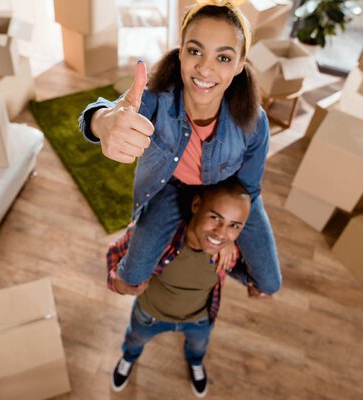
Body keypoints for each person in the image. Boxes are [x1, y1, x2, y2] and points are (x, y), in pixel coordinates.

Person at [79, 0, 282, 295]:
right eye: (195, 51)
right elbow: (106, 112)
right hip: (171, 188)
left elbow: (248, 187)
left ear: (240, 65)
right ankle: (179, 246)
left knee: (267, 285)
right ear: (181, 50)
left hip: (225, 193)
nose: (205, 68)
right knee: (130, 278)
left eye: (223, 58)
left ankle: (202, 249)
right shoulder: (155, 97)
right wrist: (102, 121)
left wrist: (229, 238)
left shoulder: (254, 121)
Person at [107, 177, 267, 397]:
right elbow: (114, 253)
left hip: (198, 319)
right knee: (134, 340)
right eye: (215, 217)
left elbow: (243, 268)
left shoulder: (231, 251)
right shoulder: (156, 239)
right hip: (149, 314)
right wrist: (117, 283)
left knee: (198, 348)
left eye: (234, 225)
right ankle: (128, 357)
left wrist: (252, 282)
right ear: (196, 205)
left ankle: (195, 362)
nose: (221, 233)